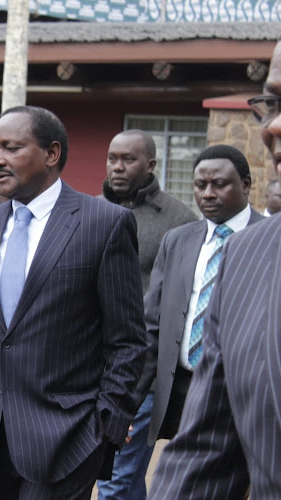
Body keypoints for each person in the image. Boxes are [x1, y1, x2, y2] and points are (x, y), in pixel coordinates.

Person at [0, 106, 147, 499]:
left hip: (67, 442)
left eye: (12, 148)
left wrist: (107, 426)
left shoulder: (103, 224)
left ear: (51, 154)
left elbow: (127, 340)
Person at [148, 47, 281, 495]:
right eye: (274, 104)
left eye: (219, 183)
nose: (274, 126)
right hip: (182, 386)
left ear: (246, 186)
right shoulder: (246, 255)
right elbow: (204, 455)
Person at [97, 130, 197, 500]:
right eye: (112, 158)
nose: (117, 167)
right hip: (89, 368)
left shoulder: (179, 221)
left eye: (128, 159)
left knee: (115, 480)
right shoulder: (89, 210)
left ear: (151, 165)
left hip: (140, 374)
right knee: (125, 478)